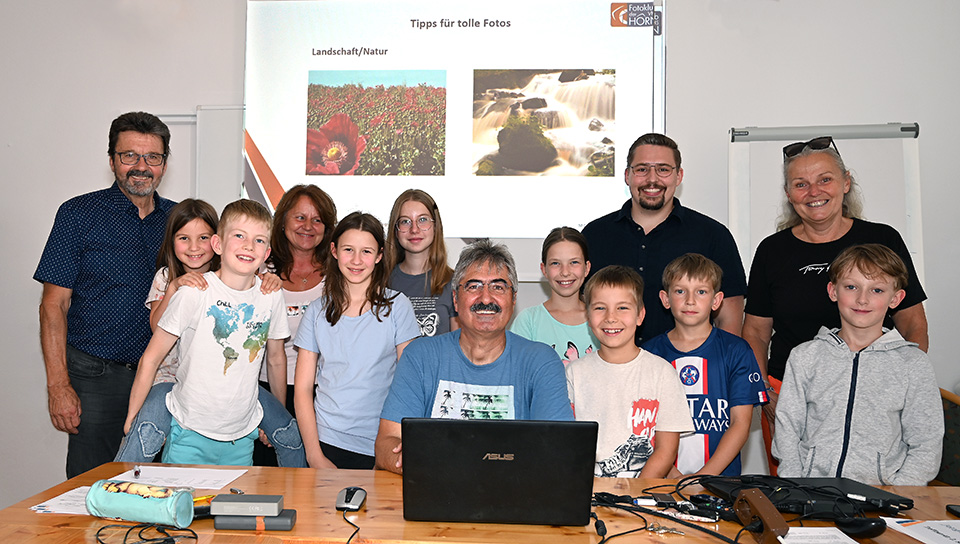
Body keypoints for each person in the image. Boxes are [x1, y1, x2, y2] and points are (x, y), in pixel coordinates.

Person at [742, 136, 928, 474]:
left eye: (825, 179)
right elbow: (755, 331)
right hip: (787, 393)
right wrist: (765, 394)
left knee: (874, 484)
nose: (813, 192)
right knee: (793, 488)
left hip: (874, 391)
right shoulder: (772, 250)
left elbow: (913, 324)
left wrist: (903, 384)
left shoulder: (883, 240)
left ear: (846, 183)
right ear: (788, 194)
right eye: (801, 184)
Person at [35, 111, 177, 477]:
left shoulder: (179, 221)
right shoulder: (77, 214)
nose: (141, 166)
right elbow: (53, 305)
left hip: (165, 378)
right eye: (129, 155)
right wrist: (58, 385)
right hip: (94, 377)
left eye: (152, 157)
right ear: (112, 160)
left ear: (164, 164)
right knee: (90, 484)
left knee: (161, 482)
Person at [115, 199, 305, 467]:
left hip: (240, 435)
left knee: (285, 444)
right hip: (189, 424)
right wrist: (132, 418)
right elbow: (151, 357)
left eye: (259, 240)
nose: (249, 246)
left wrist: (270, 417)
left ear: (266, 253)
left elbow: (275, 359)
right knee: (151, 447)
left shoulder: (271, 295)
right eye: (239, 236)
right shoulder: (192, 292)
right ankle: (114, 490)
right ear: (218, 244)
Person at [375, 239, 574, 474]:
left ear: (513, 299)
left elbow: (557, 450)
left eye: (498, 287)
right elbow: (387, 443)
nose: (486, 298)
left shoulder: (541, 362)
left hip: (513, 491)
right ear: (455, 299)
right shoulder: (420, 356)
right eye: (473, 286)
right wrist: (410, 461)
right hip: (436, 488)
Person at [772, 244, 942, 485]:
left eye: (877, 290)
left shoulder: (912, 364)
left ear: (896, 298)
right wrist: (799, 485)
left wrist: (898, 492)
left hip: (884, 495)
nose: (862, 299)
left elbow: (927, 442)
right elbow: (787, 429)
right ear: (833, 291)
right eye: (851, 287)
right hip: (813, 493)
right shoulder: (805, 356)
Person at [582, 133, 747, 344]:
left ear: (678, 176)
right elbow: (581, 309)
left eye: (663, 169)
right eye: (642, 169)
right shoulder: (594, 235)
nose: (652, 179)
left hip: (688, 363)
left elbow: (729, 322)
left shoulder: (713, 236)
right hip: (610, 362)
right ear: (627, 175)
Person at [293, 212, 421, 469]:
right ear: (334, 250)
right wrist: (314, 456)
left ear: (379, 256)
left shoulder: (398, 306)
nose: (356, 260)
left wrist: (389, 451)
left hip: (381, 442)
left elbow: (410, 384)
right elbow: (303, 390)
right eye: (348, 249)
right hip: (327, 440)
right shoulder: (316, 311)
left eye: (366, 251)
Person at [642, 254, 767, 477]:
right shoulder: (649, 354)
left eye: (701, 292)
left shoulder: (737, 351)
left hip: (720, 484)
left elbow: (740, 424)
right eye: (680, 291)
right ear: (665, 298)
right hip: (662, 481)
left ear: (716, 300)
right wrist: (672, 476)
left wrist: (704, 478)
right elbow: (643, 427)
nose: (690, 300)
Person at [566, 265, 693, 478]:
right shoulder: (574, 373)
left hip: (642, 490)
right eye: (600, 308)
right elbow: (567, 444)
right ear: (587, 316)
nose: (610, 317)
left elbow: (666, 450)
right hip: (587, 488)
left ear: (640, 315)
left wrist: (636, 491)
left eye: (622, 308)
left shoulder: (662, 373)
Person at [253, 184, 337, 466]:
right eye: (300, 217)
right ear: (283, 220)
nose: (308, 226)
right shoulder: (258, 269)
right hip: (266, 390)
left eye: (317, 220)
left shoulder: (339, 275)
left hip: (322, 394)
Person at [510, 226, 597, 364]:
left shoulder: (601, 318)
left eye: (574, 262)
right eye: (555, 263)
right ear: (544, 269)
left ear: (587, 268)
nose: (565, 272)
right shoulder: (528, 322)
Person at [385, 189, 458, 337]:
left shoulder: (454, 282)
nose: (414, 229)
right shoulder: (382, 282)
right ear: (395, 230)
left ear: (436, 226)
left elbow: (458, 343)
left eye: (423, 220)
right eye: (405, 221)